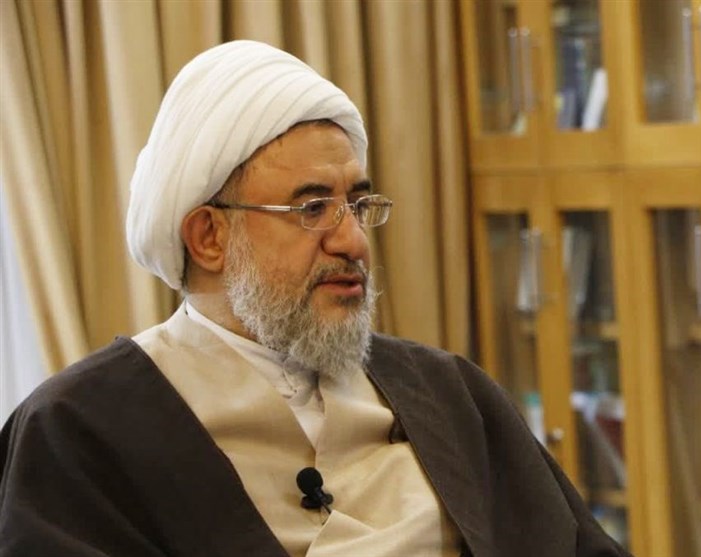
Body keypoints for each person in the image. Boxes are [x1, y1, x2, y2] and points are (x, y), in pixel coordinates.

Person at [0, 41, 631, 557]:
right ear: (209, 237)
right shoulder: (78, 431)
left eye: (357, 203)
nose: (353, 240)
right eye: (311, 208)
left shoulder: (449, 395)